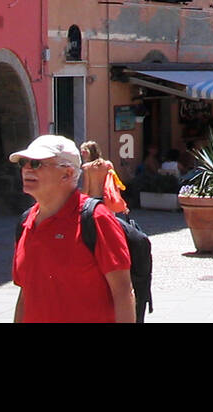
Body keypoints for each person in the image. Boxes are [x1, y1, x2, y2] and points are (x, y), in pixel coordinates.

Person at [11, 135, 135, 323]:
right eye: (24, 162)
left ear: (67, 174)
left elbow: (123, 294)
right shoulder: (25, 222)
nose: (27, 168)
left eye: (36, 164)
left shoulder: (97, 219)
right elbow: (25, 295)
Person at [80, 140, 128, 215]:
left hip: (94, 203)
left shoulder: (86, 167)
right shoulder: (108, 164)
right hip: (108, 202)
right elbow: (114, 186)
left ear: (88, 153)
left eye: (83, 152)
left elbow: (86, 190)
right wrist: (121, 203)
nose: (82, 154)